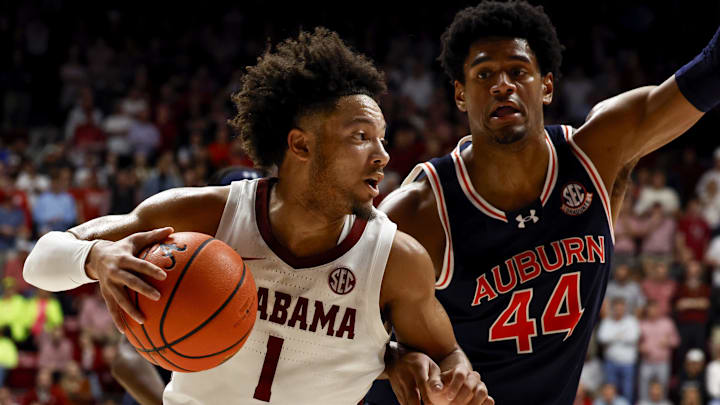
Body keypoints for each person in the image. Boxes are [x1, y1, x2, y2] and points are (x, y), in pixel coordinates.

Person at [23, 28, 491, 405]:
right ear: (301, 145)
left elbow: (447, 357)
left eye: (382, 139)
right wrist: (95, 257)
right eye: (361, 136)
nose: (383, 156)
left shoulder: (396, 260)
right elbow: (40, 260)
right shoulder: (206, 215)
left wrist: (454, 380)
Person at [366, 1, 720, 404]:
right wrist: (395, 362)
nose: (502, 85)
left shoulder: (596, 154)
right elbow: (343, 329)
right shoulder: (421, 211)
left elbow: (707, 76)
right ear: (460, 95)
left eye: (518, 71)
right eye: (484, 74)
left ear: (546, 85)